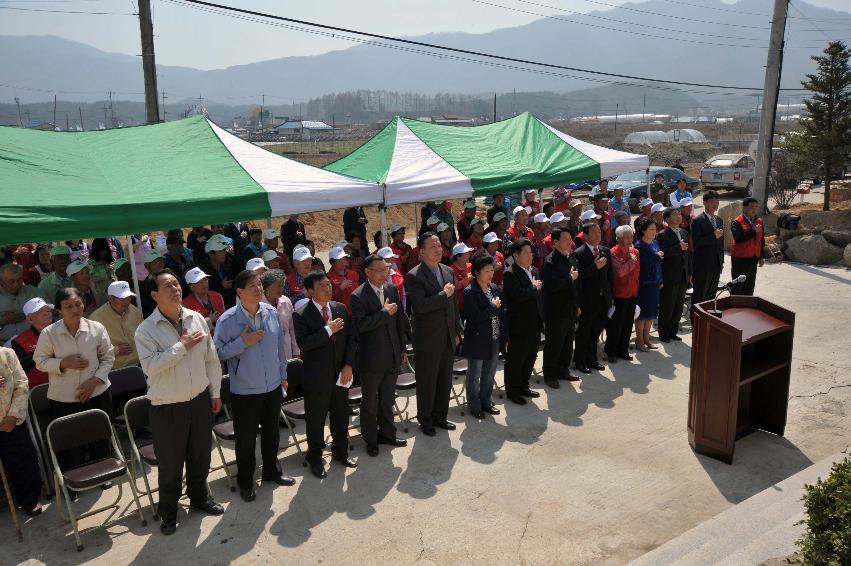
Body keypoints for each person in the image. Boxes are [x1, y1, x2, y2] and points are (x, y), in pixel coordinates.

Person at [135, 269, 224, 535]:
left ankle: (199, 498)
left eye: (176, 283)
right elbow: (151, 367)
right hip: (167, 406)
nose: (175, 289)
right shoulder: (145, 330)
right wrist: (180, 347)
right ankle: (169, 512)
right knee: (171, 463)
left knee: (200, 454)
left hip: (198, 399)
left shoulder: (196, 318)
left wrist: (215, 392)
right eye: (167, 286)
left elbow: (211, 359)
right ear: (154, 295)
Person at [214, 270, 294, 501]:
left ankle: (271, 471)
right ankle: (246, 480)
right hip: (245, 391)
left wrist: (282, 374)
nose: (259, 288)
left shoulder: (270, 311)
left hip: (271, 386)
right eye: (252, 285)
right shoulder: (228, 320)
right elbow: (217, 352)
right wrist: (243, 342)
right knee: (246, 439)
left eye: (259, 284)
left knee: (271, 433)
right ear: (239, 292)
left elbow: (279, 347)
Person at [34, 287, 115, 471]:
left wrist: (94, 381)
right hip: (64, 397)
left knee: (99, 437)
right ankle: (72, 479)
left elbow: (108, 357)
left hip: (97, 391)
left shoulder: (96, 328)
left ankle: (104, 471)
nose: (75, 309)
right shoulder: (49, 333)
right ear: (60, 310)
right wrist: (63, 363)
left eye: (78, 304)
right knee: (69, 442)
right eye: (68, 306)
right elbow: (40, 361)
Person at [293, 271, 358, 478]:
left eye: (329, 285)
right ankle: (315, 457)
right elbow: (304, 344)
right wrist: (327, 331)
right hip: (316, 378)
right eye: (322, 286)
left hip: (340, 374)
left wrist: (348, 365)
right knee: (316, 420)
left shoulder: (339, 308)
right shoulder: (301, 314)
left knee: (340, 415)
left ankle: (340, 451)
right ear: (310, 291)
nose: (328, 289)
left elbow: (351, 339)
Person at [350, 255, 409, 456]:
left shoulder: (392, 289)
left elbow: (400, 321)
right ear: (367, 272)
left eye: (386, 269)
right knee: (369, 403)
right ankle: (371, 440)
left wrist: (402, 349)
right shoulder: (358, 296)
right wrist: (384, 313)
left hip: (392, 354)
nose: (385, 273)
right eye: (380, 270)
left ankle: (388, 434)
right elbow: (361, 325)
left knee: (387, 399)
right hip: (371, 359)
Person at [405, 232, 462, 436]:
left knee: (445, 378)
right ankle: (426, 419)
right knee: (427, 381)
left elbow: (453, 305)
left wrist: (456, 330)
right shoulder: (414, 276)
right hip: (427, 338)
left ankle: (440, 415)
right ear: (421, 252)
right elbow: (420, 306)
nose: (438, 249)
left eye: (439, 246)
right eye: (433, 247)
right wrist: (442, 294)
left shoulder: (447, 271)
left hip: (447, 335)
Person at [0, 346, 43, 517]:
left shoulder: (7, 353)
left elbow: (21, 384)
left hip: (11, 420)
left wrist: (13, 417)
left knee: (23, 459)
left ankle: (30, 499)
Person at [460, 255, 504, 419]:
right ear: (477, 272)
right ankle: (474, 404)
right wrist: (493, 307)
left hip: (493, 336)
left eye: (492, 270)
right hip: (477, 338)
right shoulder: (470, 291)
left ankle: (486, 401)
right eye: (486, 271)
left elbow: (500, 313)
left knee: (490, 372)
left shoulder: (493, 287)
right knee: (474, 374)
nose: (490, 274)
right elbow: (474, 317)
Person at [502, 239, 544, 404]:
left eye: (530, 252)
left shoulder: (534, 270)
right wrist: (533, 288)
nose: (530, 255)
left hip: (534, 322)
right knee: (516, 359)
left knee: (530, 356)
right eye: (525, 252)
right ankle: (513, 391)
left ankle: (524, 385)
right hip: (519, 324)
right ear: (516, 255)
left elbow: (539, 297)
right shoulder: (510, 273)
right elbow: (518, 295)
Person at [571, 223, 612, 374]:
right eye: (593, 233)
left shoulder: (605, 251)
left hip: (602, 299)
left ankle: (592, 359)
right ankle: (580, 361)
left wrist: (610, 295)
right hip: (587, 300)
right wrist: (595, 266)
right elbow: (578, 277)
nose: (597, 235)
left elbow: (609, 276)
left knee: (596, 331)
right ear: (586, 236)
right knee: (584, 332)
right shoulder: (578, 254)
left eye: (599, 232)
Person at [541, 228, 580, 387]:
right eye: (565, 239)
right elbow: (552, 285)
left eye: (570, 238)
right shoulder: (550, 261)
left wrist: (576, 305)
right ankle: (550, 375)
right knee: (554, 344)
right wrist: (569, 278)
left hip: (569, 308)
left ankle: (563, 370)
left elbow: (574, 286)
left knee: (567, 342)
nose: (570, 242)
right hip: (556, 309)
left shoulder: (570, 258)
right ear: (555, 242)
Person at [605, 225, 640, 362]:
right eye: (626, 236)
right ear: (619, 238)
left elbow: (637, 272)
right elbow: (620, 272)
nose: (630, 239)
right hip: (619, 294)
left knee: (627, 323)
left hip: (632, 292)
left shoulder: (635, 251)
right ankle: (611, 351)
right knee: (616, 325)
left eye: (631, 236)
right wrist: (631, 261)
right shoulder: (613, 252)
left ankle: (623, 350)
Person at [89, 281, 143, 370]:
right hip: (113, 370)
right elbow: (91, 352)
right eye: (122, 299)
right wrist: (115, 351)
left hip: (140, 365)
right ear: (110, 299)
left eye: (128, 298)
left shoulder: (135, 311)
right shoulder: (95, 319)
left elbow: (144, 337)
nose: (126, 302)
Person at [657, 207, 689, 343]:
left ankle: (673, 331)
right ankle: (664, 333)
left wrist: (690, 272)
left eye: (679, 214)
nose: (679, 217)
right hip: (669, 275)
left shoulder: (683, 232)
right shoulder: (662, 235)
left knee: (678, 305)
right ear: (668, 219)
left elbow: (688, 254)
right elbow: (663, 253)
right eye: (675, 215)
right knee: (667, 305)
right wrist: (678, 247)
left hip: (682, 274)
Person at [691, 190, 725, 311]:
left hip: (716, 264)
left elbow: (721, 244)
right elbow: (697, 242)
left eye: (717, 202)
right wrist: (713, 236)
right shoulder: (697, 221)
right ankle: (696, 323)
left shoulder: (719, 220)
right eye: (712, 202)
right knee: (700, 296)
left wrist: (721, 261)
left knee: (711, 296)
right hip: (703, 266)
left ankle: (707, 320)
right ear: (704, 202)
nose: (715, 204)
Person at [633, 218, 663, 351]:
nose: (653, 232)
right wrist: (657, 257)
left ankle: (647, 339)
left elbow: (659, 264)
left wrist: (660, 279)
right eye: (650, 229)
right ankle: (639, 341)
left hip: (655, 282)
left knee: (651, 312)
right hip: (644, 284)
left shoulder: (655, 243)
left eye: (654, 229)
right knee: (642, 314)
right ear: (643, 231)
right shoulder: (639, 246)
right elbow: (643, 265)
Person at [10, 298, 52, 387]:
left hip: (65, 383)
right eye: (40, 311)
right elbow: (20, 368)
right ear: (30, 319)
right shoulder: (19, 341)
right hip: (38, 389)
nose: (47, 313)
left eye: (48, 310)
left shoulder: (63, 332)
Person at [260, 270, 300, 361]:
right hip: (267, 354)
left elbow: (292, 329)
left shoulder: (286, 301)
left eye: (282, 285)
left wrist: (296, 352)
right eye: (278, 286)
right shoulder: (257, 304)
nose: (281, 288)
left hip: (287, 351)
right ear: (267, 287)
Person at [730, 197, 764, 296]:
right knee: (738, 286)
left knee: (750, 285)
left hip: (753, 258)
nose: (754, 209)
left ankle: (746, 308)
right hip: (741, 258)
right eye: (752, 207)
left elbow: (761, 240)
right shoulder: (737, 222)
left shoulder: (759, 221)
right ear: (744, 207)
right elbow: (739, 239)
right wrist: (753, 231)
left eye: (756, 207)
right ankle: (735, 308)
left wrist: (761, 256)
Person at [0, 264, 40, 344]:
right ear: (1, 281)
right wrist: (2, 320)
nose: (16, 285)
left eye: (19, 280)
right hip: (5, 345)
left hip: (37, 339)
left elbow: (53, 312)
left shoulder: (33, 292)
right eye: (11, 281)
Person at [182, 267, 225, 336]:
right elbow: (189, 330)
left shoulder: (217, 296)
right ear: (191, 286)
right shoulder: (185, 305)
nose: (204, 284)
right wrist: (209, 320)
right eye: (199, 282)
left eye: (205, 280)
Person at [202, 234, 236, 308]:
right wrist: (222, 287)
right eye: (220, 251)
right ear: (211, 254)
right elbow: (204, 294)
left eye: (224, 250)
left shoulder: (228, 268)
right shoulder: (203, 274)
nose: (224, 253)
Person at [327, 246, 360, 312]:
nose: (343, 262)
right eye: (339, 260)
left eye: (344, 259)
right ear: (332, 262)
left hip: (356, 310)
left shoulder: (353, 273)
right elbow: (328, 298)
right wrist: (341, 288)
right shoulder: (327, 278)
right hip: (341, 313)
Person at [88, 238, 117, 306]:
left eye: (105, 250)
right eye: (101, 250)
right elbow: (91, 277)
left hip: (114, 291)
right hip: (100, 294)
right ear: (96, 251)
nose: (103, 252)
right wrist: (106, 269)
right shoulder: (91, 263)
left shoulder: (111, 259)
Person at [140, 249, 166, 318]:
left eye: (161, 261)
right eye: (155, 262)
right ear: (146, 266)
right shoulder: (145, 285)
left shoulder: (169, 278)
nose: (159, 264)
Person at [449, 243, 474, 309]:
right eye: (466, 254)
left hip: (473, 302)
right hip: (460, 306)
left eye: (468, 253)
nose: (469, 255)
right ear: (458, 257)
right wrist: (467, 279)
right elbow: (455, 287)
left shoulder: (470, 265)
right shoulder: (451, 270)